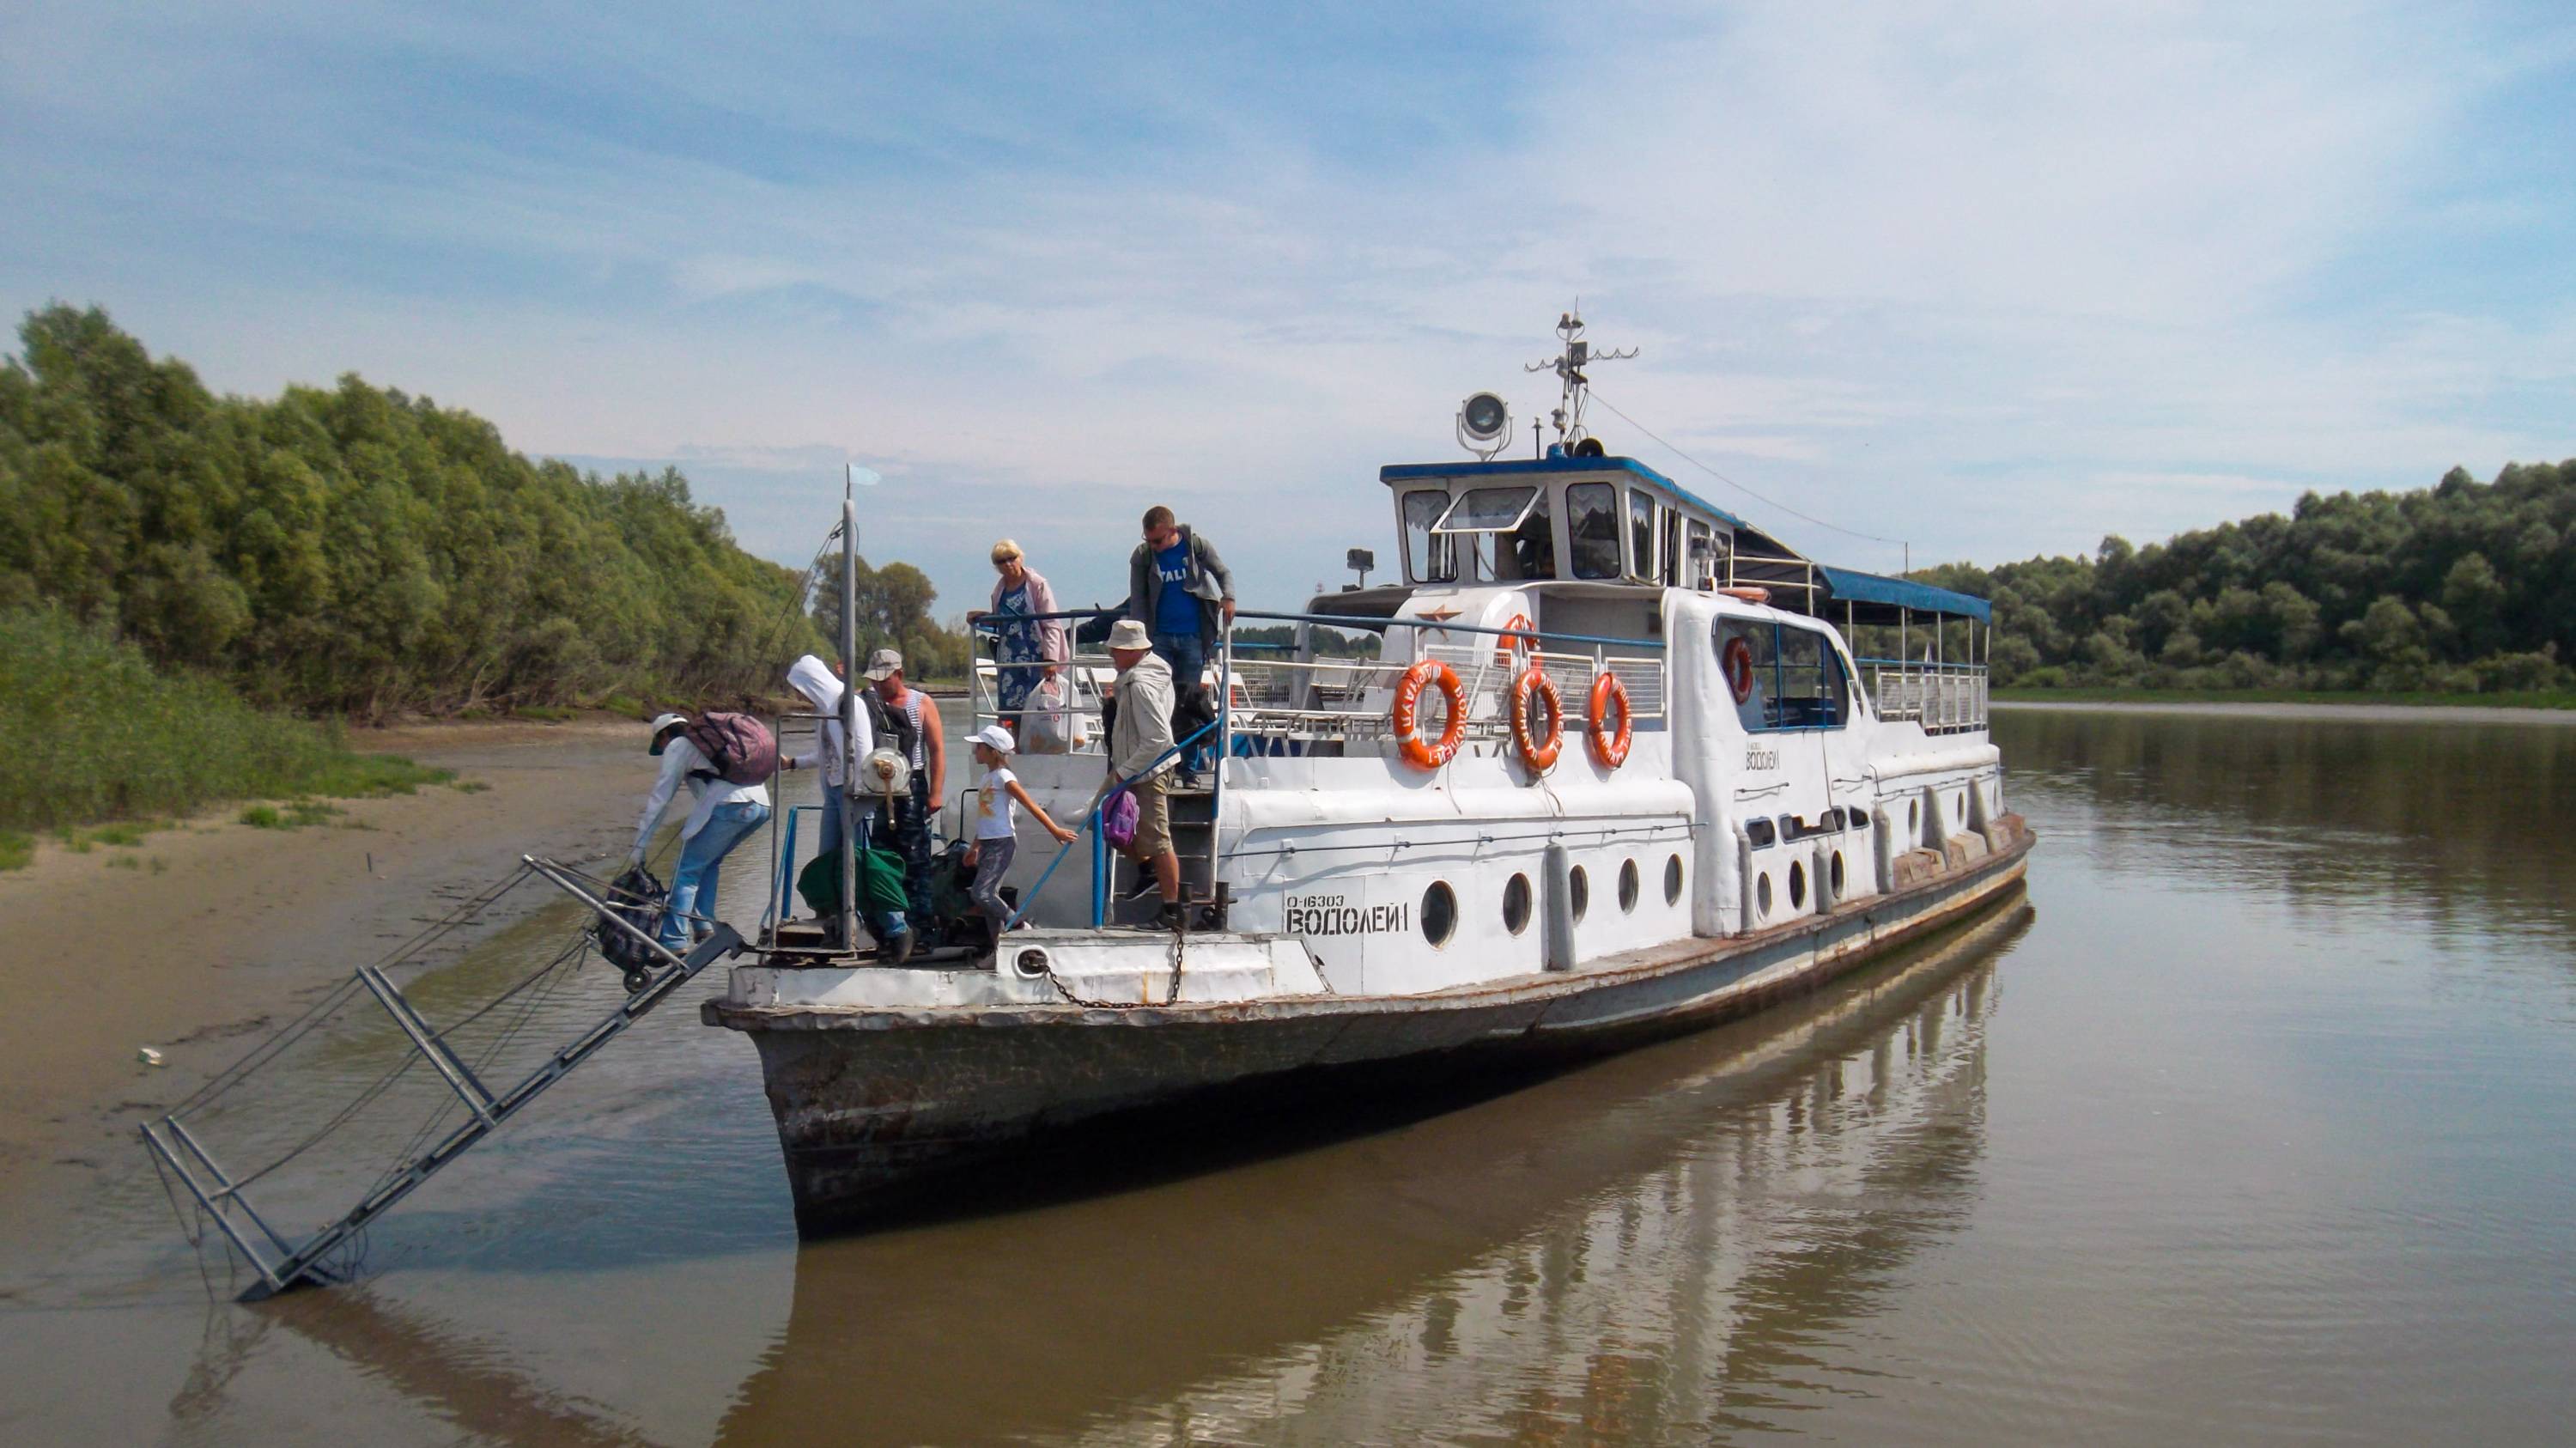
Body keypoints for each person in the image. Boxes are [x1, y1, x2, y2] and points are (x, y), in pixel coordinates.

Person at [776, 654, 910, 953]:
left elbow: (860, 748)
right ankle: (840, 922)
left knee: (860, 863)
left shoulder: (848, 704)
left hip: (853, 794)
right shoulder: (826, 710)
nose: (799, 695)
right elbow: (828, 755)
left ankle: (897, 928)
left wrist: (858, 793)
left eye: (800, 688)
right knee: (829, 860)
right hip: (834, 793)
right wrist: (794, 763)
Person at [629, 712, 771, 952]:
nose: (663, 749)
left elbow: (661, 799)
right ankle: (703, 926)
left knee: (687, 871)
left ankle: (673, 940)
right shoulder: (714, 744)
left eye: (660, 743)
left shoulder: (679, 745)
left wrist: (640, 846)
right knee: (709, 863)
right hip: (760, 806)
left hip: (731, 806)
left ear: (665, 735)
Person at [1125, 505, 1234, 776]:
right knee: (1156, 702)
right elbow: (1138, 600)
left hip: (1192, 639)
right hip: (1158, 639)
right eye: (1148, 540)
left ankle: (1188, 769)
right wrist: (1140, 642)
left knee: (1189, 704)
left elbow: (1223, 572)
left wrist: (1228, 596)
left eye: (1158, 541)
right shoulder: (1143, 557)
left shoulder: (1196, 546)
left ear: (1172, 531)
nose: (1154, 546)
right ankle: (1160, 766)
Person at [1102, 619, 1184, 928]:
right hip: (1136, 769)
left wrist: (1124, 772)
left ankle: (1173, 912)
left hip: (1146, 772)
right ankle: (1147, 869)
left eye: (1115, 649)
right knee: (1105, 821)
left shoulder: (1140, 685)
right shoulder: (1144, 676)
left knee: (1158, 839)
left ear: (1129, 651)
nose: (1111, 654)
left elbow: (1158, 740)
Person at [961, 723, 1078, 938]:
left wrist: (1055, 831)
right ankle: (997, 948)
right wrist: (975, 847)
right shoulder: (986, 778)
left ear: (992, 751)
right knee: (989, 897)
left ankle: (1019, 924)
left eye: (979, 747)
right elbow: (986, 817)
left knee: (982, 893)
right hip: (987, 842)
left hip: (1002, 842)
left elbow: (1030, 805)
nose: (975, 751)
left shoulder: (1004, 777)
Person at [863, 648, 946, 926]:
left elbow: (937, 750)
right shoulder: (868, 703)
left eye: (883, 679)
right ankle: (886, 925)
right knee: (879, 855)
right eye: (874, 679)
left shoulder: (921, 703)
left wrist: (935, 792)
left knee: (915, 857)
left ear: (899, 674)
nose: (877, 685)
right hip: (877, 786)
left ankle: (921, 926)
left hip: (912, 784)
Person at [965, 539, 1067, 739]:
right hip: (1009, 659)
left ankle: (1043, 746)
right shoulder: (999, 590)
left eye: (1012, 558)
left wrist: (1050, 659)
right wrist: (983, 617)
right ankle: (1015, 748)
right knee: (1011, 710)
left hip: (1034, 655)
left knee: (1038, 705)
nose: (1008, 564)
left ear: (1020, 557)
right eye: (1002, 561)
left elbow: (1051, 622)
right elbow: (1002, 622)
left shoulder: (1037, 584)